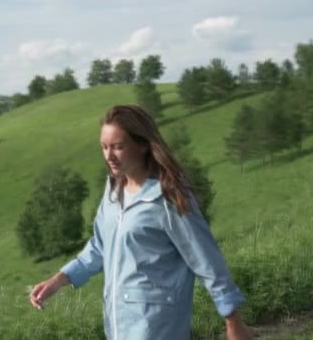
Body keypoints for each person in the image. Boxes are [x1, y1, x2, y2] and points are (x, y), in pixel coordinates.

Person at [29, 105, 253, 339]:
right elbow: (99, 247)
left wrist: (232, 319)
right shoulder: (113, 192)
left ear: (143, 145)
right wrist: (58, 280)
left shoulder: (168, 196)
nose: (109, 156)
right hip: (119, 327)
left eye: (118, 147)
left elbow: (205, 258)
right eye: (104, 147)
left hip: (157, 327)